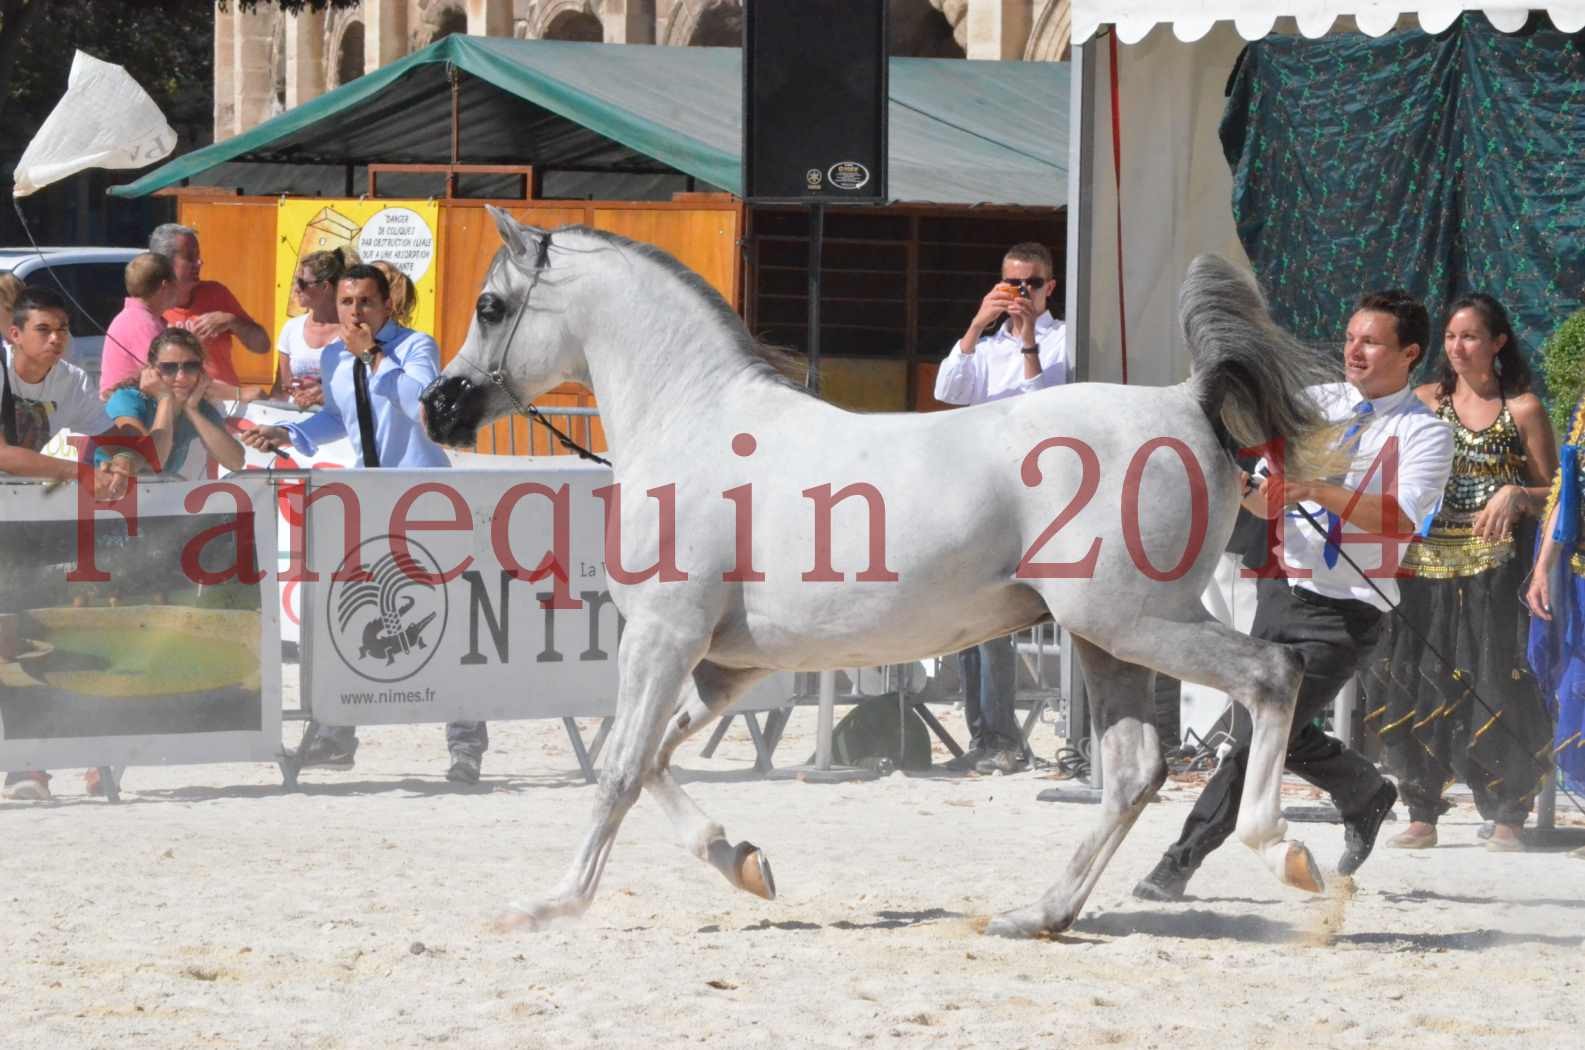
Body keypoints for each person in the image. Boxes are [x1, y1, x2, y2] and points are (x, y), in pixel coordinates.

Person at [1133, 289, 1455, 901]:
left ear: (1409, 353)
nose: (1353, 351)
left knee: (1258, 740)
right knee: (1279, 727)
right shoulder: (1318, 403)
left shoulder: (1424, 434)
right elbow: (1253, 452)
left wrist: (1310, 489)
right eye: (1350, 337)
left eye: (1370, 342)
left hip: (1346, 614)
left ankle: (1180, 860)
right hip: (1282, 592)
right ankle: (1364, 790)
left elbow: (1400, 519)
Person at [240, 264, 486, 783]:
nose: (355, 313)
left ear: (385, 307)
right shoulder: (333, 356)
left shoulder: (416, 347)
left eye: (365, 303)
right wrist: (289, 434)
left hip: (422, 498)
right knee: (346, 618)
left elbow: (419, 403)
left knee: (446, 620)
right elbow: (338, 417)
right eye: (347, 303)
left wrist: (373, 355)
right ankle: (335, 736)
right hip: (365, 498)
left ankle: (466, 743)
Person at [1366, 295, 1556, 852]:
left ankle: (1506, 814)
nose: (1457, 346)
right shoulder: (1424, 402)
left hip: (1493, 573)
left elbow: (1556, 495)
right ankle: (1421, 810)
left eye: (1470, 336)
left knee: (1495, 685)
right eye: (1450, 336)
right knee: (1417, 683)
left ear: (1497, 343)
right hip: (1424, 568)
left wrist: (1518, 492)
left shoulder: (1522, 409)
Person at [932, 242, 1067, 775]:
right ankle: (987, 736)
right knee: (973, 618)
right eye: (1012, 284)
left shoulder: (1061, 340)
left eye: (1031, 284)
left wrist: (1029, 338)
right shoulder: (986, 348)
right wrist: (975, 326)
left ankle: (1003, 736)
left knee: (999, 621)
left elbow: (1044, 407)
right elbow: (948, 390)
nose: (1021, 294)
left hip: (1038, 494)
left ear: (1049, 288)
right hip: (984, 491)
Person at [0, 287, 139, 800]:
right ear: (14, 335)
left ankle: (34, 767)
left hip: (20, 522)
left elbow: (110, 432)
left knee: (33, 635)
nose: (58, 338)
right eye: (44, 329)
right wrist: (84, 472)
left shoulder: (71, 379)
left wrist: (122, 456)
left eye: (62, 328)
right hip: (15, 509)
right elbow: (6, 456)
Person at [148, 223, 271, 403]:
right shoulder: (152, 308)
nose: (199, 262)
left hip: (230, 408)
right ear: (165, 263)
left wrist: (232, 321)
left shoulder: (216, 293)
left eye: (198, 256)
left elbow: (262, 345)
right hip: (186, 409)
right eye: (190, 257)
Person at [100, 327, 246, 479]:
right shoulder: (126, 400)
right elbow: (150, 465)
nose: (181, 377)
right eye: (169, 368)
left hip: (154, 496)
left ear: (201, 371)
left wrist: (192, 411)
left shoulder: (198, 406)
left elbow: (235, 462)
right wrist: (165, 399)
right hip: (101, 494)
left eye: (191, 367)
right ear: (151, 370)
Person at [98, 252, 184, 396]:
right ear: (165, 286)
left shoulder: (137, 318)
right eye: (176, 282)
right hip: (129, 410)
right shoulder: (142, 323)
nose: (179, 289)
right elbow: (167, 376)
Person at [276, 248, 349, 410]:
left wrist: (325, 394)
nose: (296, 288)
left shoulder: (352, 331)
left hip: (339, 424)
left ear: (325, 287)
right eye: (296, 281)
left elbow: (361, 385)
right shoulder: (291, 328)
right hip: (296, 420)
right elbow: (282, 389)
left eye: (302, 283)